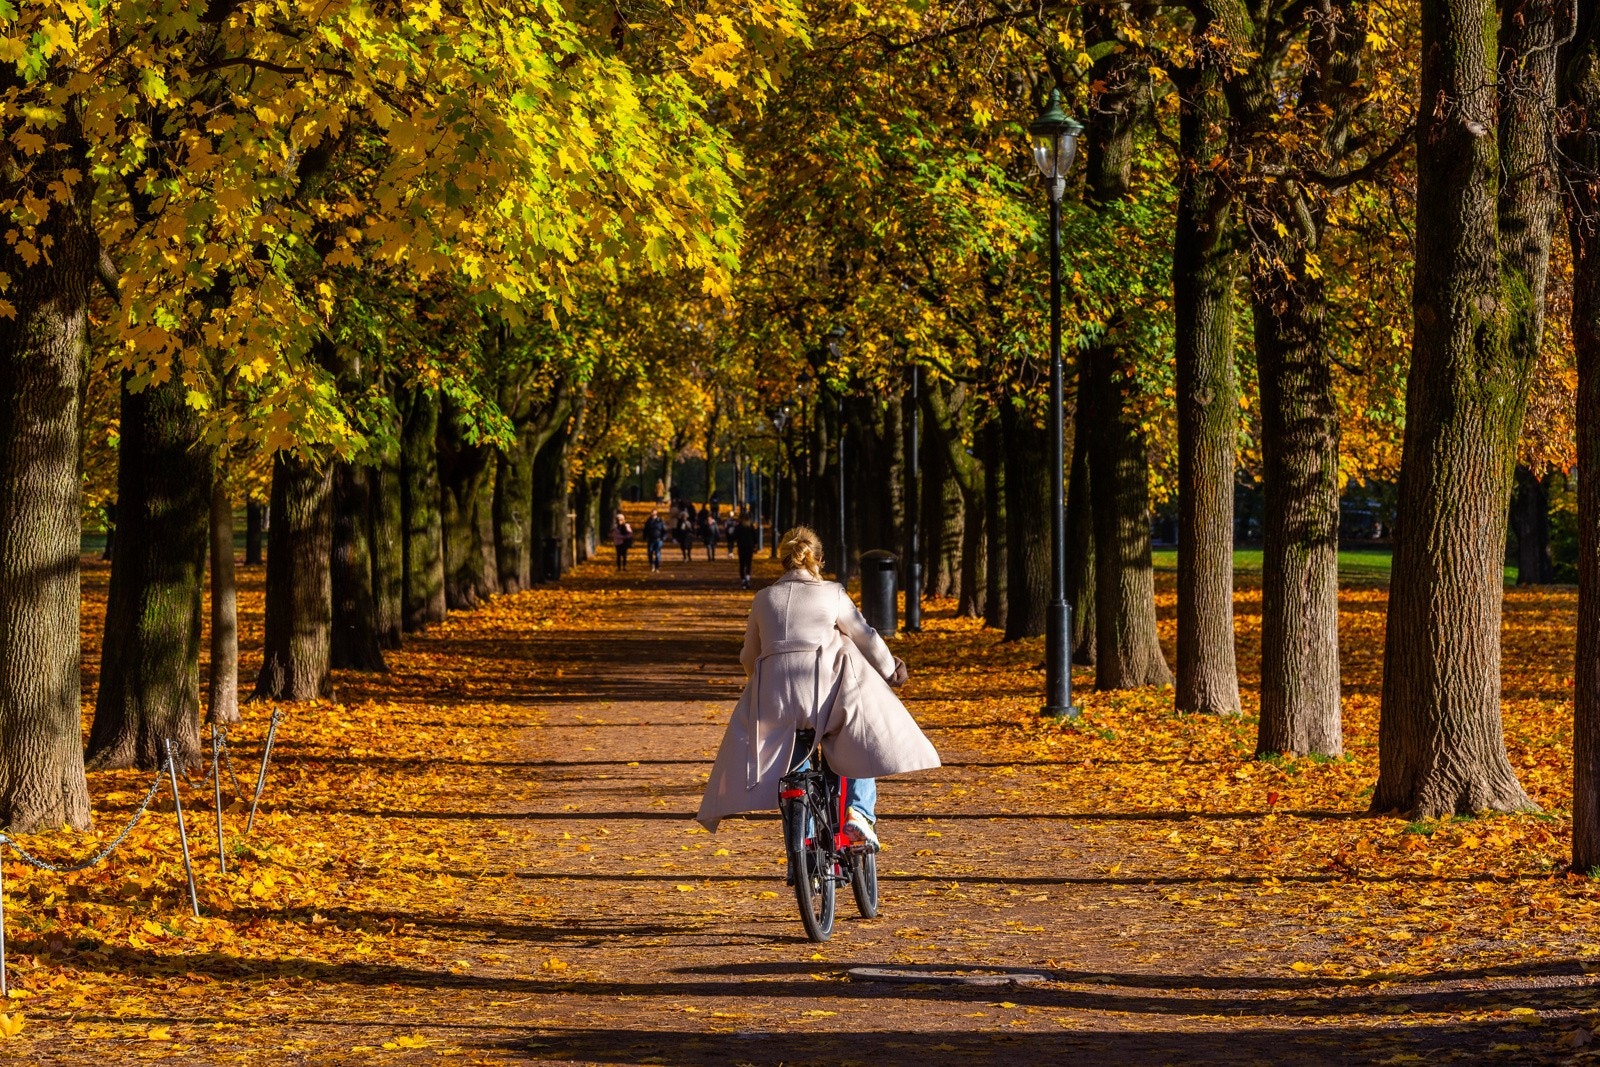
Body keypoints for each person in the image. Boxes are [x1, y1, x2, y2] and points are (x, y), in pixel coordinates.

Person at [697, 526, 940, 845]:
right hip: (825, 699)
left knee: (791, 766)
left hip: (776, 704)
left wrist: (764, 684)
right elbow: (865, 636)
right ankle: (859, 812)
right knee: (858, 733)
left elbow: (749, 656)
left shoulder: (763, 599)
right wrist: (890, 670)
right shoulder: (832, 592)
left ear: (783, 560)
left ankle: (802, 850)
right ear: (819, 560)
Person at [734, 511, 758, 589]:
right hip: (749, 548)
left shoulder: (739, 527)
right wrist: (755, 545)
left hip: (741, 547)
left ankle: (743, 580)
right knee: (748, 564)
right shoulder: (751, 526)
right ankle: (747, 578)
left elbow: (734, 536)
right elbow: (755, 537)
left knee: (742, 564)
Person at [643, 508, 666, 573]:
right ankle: (652, 565)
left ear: (656, 514)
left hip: (658, 540)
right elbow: (645, 530)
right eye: (652, 513)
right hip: (650, 540)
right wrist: (644, 537)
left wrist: (663, 538)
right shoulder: (648, 521)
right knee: (650, 553)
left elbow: (665, 531)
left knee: (657, 553)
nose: (652, 514)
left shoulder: (660, 521)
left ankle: (657, 567)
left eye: (654, 513)